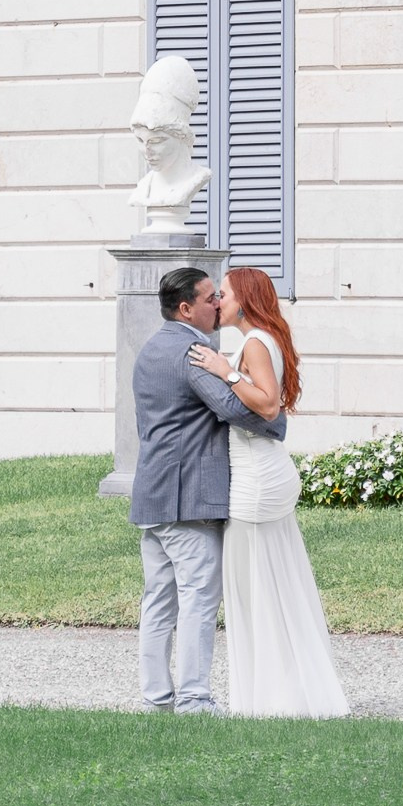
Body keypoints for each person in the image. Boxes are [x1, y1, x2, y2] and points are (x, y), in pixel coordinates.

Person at [190, 264, 349, 719]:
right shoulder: (262, 339)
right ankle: (287, 691)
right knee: (273, 587)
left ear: (244, 299)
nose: (217, 302)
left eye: (223, 294)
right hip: (263, 474)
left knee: (253, 592)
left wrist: (226, 372)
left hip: (257, 482)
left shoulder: (257, 342)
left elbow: (268, 404)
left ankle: (274, 699)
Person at [128, 263, 274, 712]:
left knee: (158, 602)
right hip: (187, 500)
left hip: (153, 495)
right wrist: (276, 419)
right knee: (199, 599)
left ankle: (156, 700)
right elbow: (233, 408)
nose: (218, 304)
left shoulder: (150, 348)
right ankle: (194, 700)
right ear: (187, 309)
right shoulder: (194, 352)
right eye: (211, 298)